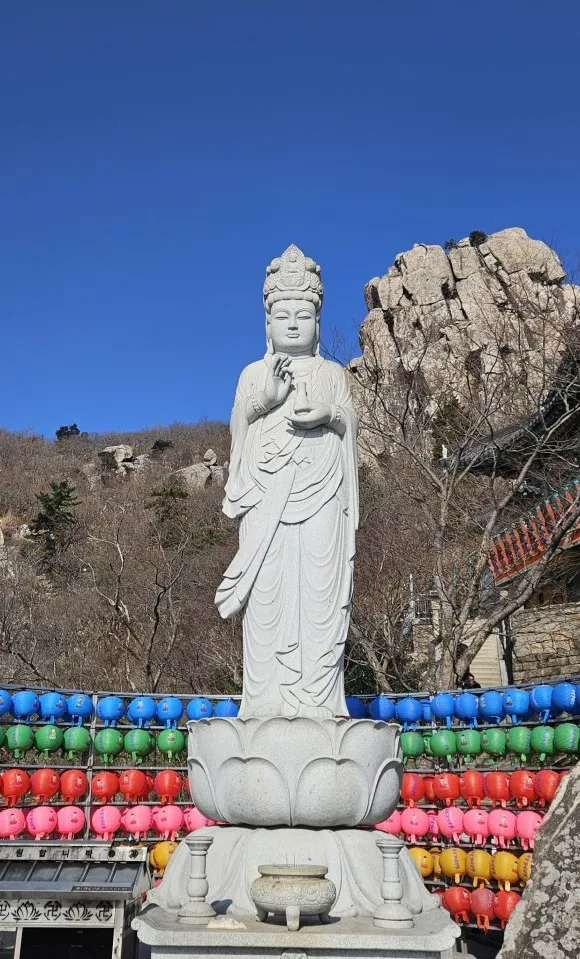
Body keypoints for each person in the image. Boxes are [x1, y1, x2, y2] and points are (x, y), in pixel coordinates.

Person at [215, 245, 358, 719]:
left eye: (304, 315)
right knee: (267, 597)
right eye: (282, 315)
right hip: (265, 499)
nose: (293, 325)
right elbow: (239, 429)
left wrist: (330, 414)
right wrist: (265, 400)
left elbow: (349, 428)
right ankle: (262, 704)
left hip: (323, 497)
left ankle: (320, 701)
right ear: (267, 323)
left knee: (321, 593)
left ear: (318, 321)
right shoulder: (253, 374)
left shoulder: (333, 374)